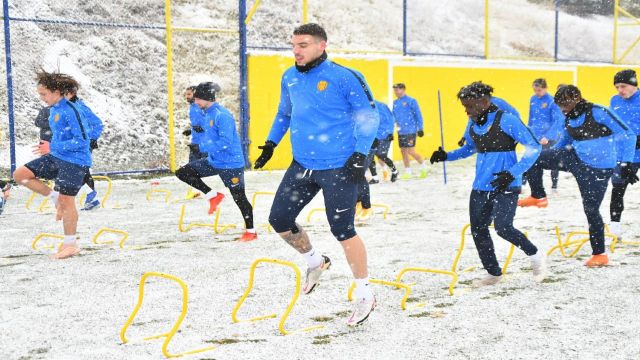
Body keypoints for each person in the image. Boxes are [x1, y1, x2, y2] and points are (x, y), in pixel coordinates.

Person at [253, 23, 379, 326]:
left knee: (342, 229)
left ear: (322, 45)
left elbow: (368, 116)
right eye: (294, 45)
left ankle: (364, 292)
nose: (296, 51)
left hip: (340, 165)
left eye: (304, 45)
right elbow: (284, 113)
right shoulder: (290, 77)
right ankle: (315, 261)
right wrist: (271, 143)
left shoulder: (344, 77)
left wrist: (360, 153)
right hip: (303, 164)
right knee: (279, 220)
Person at [430, 81, 546, 286]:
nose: (466, 111)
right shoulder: (474, 122)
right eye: (464, 106)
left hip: (505, 183)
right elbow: (469, 149)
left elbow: (534, 147)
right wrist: (446, 155)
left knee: (503, 227)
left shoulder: (507, 120)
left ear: (484, 101)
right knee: (478, 229)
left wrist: (513, 173)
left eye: (470, 105)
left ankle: (535, 255)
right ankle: (494, 273)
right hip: (481, 185)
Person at [533, 85, 636, 267]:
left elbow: (628, 134)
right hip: (576, 160)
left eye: (566, 103)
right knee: (535, 157)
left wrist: (626, 162)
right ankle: (538, 196)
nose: (564, 108)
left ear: (578, 98)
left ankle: (599, 255)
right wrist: (551, 155)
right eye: (560, 105)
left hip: (600, 170)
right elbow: (565, 141)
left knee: (591, 209)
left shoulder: (598, 111)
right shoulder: (569, 118)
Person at [13, 70, 92, 259]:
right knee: (20, 175)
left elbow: (82, 140)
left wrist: (53, 146)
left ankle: (70, 244)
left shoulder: (73, 110)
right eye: (40, 94)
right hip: (57, 156)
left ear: (57, 92)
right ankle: (53, 196)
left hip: (75, 161)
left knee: (68, 202)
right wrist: (53, 148)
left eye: (44, 94)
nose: (42, 98)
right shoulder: (54, 109)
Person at [174, 82, 257, 242]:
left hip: (230, 164)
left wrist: (202, 147)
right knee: (182, 173)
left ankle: (251, 231)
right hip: (214, 160)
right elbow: (208, 131)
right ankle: (213, 195)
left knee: (240, 198)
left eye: (198, 98)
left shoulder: (222, 115)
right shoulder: (206, 113)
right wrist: (193, 131)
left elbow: (226, 141)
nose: (195, 101)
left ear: (207, 98)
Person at [519, 78, 565, 208]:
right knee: (528, 158)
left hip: (548, 137)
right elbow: (531, 117)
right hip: (535, 135)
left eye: (539, 90)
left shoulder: (552, 101)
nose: (537, 92)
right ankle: (522, 184)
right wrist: (528, 131)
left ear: (545, 88)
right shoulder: (533, 99)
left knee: (552, 161)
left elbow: (558, 121)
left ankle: (554, 186)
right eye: (535, 90)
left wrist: (548, 136)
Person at [608, 69, 640, 239]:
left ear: (633, 85)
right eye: (617, 87)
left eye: (623, 86)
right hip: (625, 154)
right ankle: (615, 227)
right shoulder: (614, 101)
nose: (620, 90)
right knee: (618, 188)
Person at [65, 84, 104, 211]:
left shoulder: (80, 107)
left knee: (78, 170)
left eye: (64, 93)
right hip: (73, 143)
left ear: (71, 94)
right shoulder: (66, 107)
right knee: (81, 171)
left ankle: (90, 197)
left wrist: (92, 139)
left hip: (82, 144)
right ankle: (91, 198)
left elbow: (97, 123)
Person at [392, 83, 427, 179]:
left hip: (410, 130)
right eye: (394, 90)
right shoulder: (395, 103)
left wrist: (420, 128)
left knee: (411, 150)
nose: (395, 92)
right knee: (403, 151)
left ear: (403, 89)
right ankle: (408, 171)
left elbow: (418, 115)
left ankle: (424, 166)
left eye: (397, 90)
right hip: (401, 131)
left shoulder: (411, 101)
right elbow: (393, 117)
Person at [368, 99, 399, 183]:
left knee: (381, 156)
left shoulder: (380, 106)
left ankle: (395, 171)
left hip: (383, 136)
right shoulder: (363, 107)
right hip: (371, 136)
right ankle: (375, 178)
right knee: (369, 156)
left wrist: (389, 133)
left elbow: (390, 120)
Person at [182, 85, 208, 162]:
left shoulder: (203, 105)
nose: (187, 96)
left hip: (205, 143)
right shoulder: (192, 107)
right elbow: (197, 123)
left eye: (189, 94)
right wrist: (191, 130)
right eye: (186, 94)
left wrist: (203, 128)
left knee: (205, 170)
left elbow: (213, 122)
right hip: (195, 142)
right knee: (192, 169)